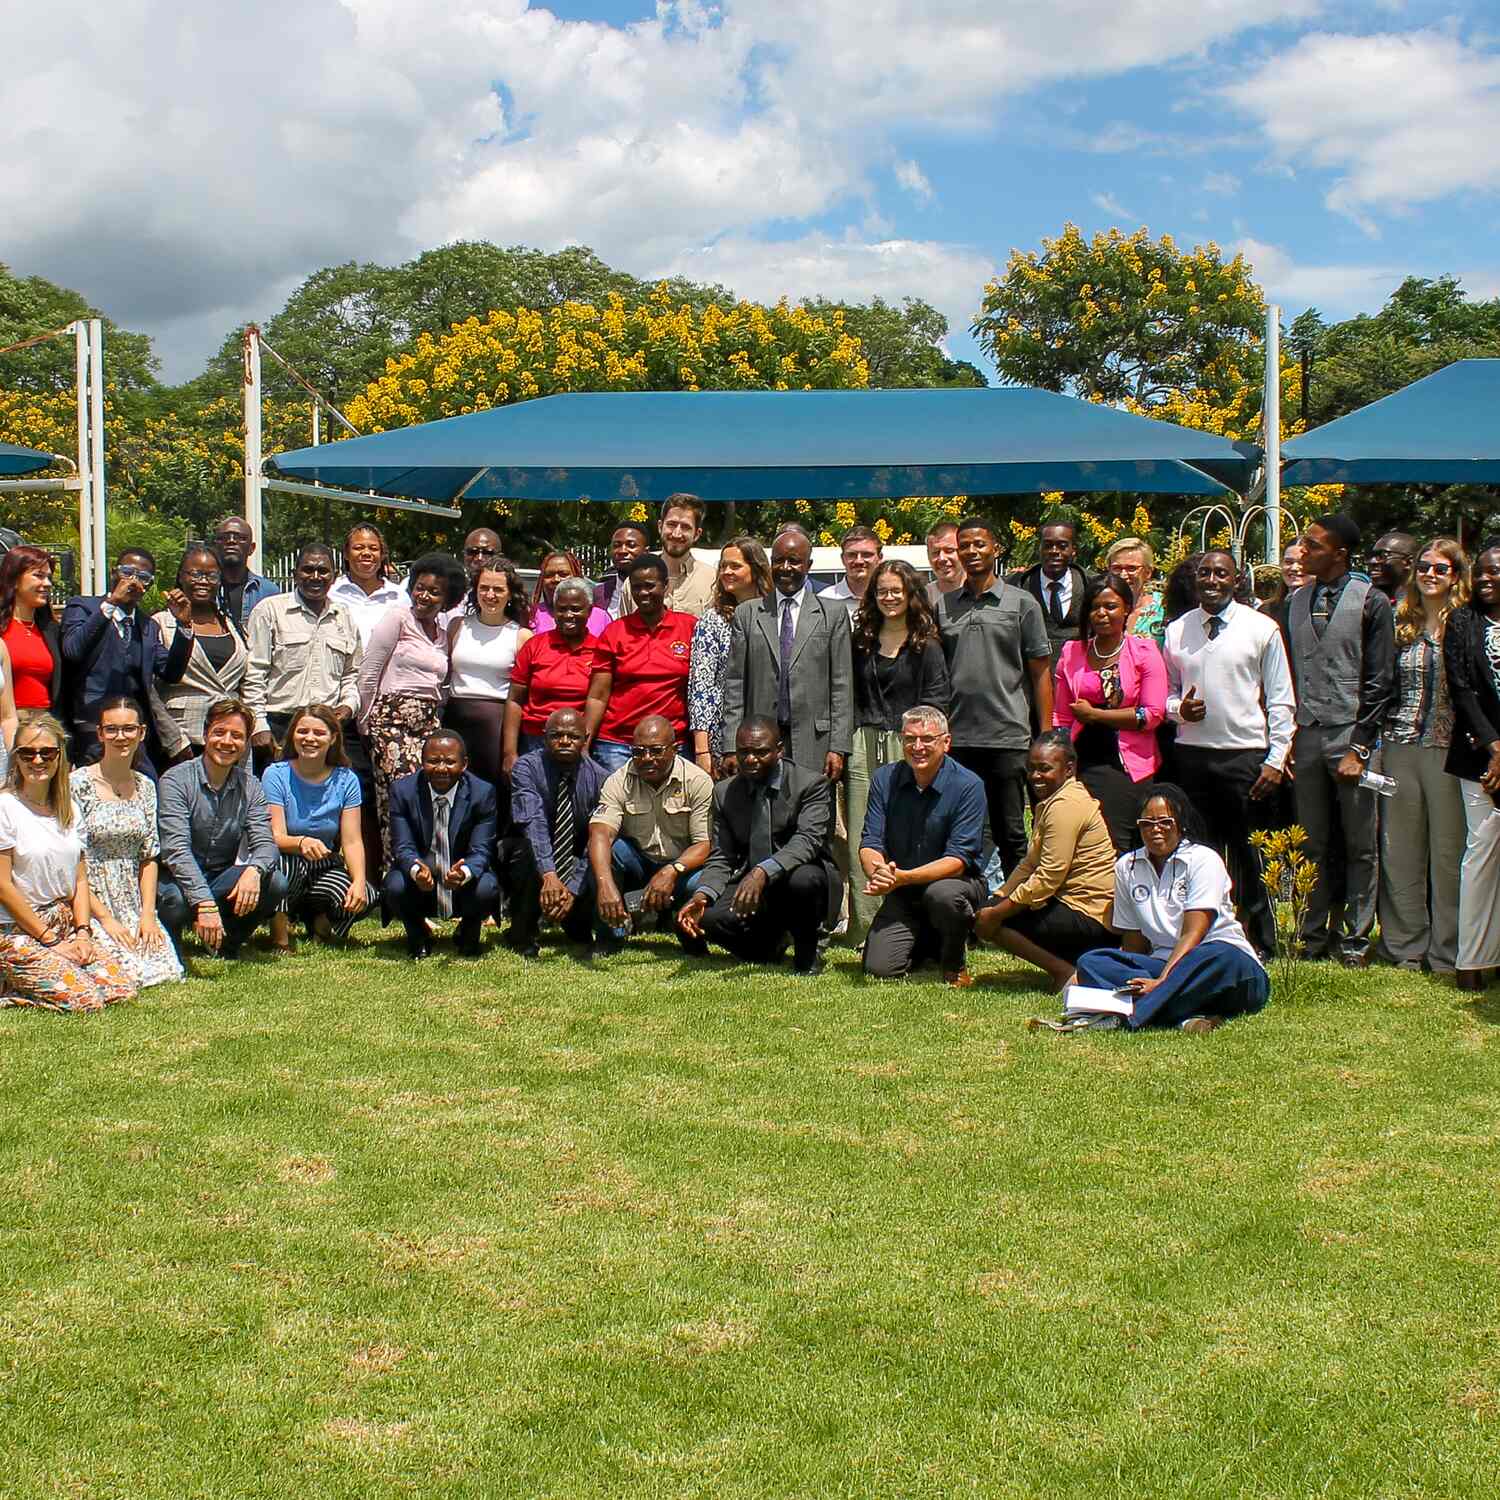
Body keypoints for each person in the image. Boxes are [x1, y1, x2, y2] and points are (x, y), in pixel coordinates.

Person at [1162, 549, 1294, 958]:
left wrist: (1276, 758)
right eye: (1205, 573)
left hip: (1245, 757)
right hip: (1192, 757)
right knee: (1200, 855)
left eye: (1221, 574)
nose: (1212, 581)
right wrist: (1176, 710)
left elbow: (1281, 700)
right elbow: (1166, 692)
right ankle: (1202, 938)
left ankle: (1265, 941)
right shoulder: (1177, 630)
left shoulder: (1262, 629)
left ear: (1237, 581)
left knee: (1251, 852)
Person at [1066, 786, 1269, 1033]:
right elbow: (1134, 939)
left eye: (1165, 822)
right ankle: (1186, 1016)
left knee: (1219, 954)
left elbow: (1193, 934)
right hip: (1164, 966)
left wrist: (1162, 982)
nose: (1155, 829)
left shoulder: (1203, 859)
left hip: (1219, 966)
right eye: (1147, 823)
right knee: (1092, 962)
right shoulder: (1126, 867)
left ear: (1181, 824)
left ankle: (1128, 1017)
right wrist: (1133, 971)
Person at [1285, 514, 1395, 967]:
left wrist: (1360, 747)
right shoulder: (1294, 601)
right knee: (1311, 840)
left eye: (1312, 545)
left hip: (1352, 734)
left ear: (1340, 554)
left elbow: (1380, 681)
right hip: (1307, 734)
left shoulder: (1371, 601)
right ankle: (1311, 935)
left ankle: (1355, 938)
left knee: (1359, 844)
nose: (1302, 551)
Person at [936, 516, 1053, 876]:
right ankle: (966, 913)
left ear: (995, 548)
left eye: (979, 544)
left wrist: (1046, 735)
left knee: (1011, 833)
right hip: (958, 738)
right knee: (961, 833)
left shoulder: (1022, 604)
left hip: (1007, 736)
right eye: (964, 545)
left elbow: (1041, 671)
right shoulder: (943, 606)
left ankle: (1014, 914)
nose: (971, 551)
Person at [677, 717, 839, 974]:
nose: (751, 759)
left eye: (761, 752)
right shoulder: (724, 793)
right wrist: (702, 895)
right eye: (744, 752)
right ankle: (767, 947)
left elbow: (807, 841)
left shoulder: (810, 785)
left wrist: (763, 871)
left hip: (796, 878)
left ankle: (808, 952)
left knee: (805, 880)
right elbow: (722, 856)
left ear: (779, 750)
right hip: (751, 883)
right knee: (707, 916)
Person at [0, 714, 137, 1011]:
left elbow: (80, 880)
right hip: (15, 928)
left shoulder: (70, 809)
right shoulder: (5, 807)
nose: (37, 761)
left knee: (121, 991)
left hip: (62, 920)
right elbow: (2, 885)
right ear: (16, 758)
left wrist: (83, 933)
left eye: (47, 753)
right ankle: (10, 991)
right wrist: (50, 941)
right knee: (86, 1001)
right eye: (28, 753)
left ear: (60, 756)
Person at [847, 559, 951, 943]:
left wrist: (921, 744)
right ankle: (865, 926)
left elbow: (937, 702)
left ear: (910, 595)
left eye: (896, 590)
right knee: (865, 830)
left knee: (908, 830)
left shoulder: (928, 646)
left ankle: (912, 922)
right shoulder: (861, 642)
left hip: (911, 744)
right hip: (862, 741)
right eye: (882, 591)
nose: (889, 598)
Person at [1377, 538, 1467, 976]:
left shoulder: (1466, 623)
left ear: (1456, 576)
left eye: (1441, 568)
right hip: (1399, 744)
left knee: (1449, 853)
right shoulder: (1400, 623)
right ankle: (1405, 946)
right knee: (1400, 850)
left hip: (1448, 750)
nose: (1431, 574)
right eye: (1425, 567)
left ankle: (1448, 950)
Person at [972, 736, 1116, 989]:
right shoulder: (1053, 801)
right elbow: (1030, 863)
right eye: (1031, 768)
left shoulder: (1066, 806)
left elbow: (1049, 877)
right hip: (1070, 904)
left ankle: (1064, 972)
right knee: (993, 909)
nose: (1035, 776)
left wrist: (996, 912)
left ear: (1069, 769)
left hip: (1091, 917)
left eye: (1045, 768)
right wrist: (1000, 895)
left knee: (1000, 919)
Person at [859, 706, 988, 986]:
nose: (918, 747)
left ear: (946, 742)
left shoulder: (968, 786)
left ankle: (954, 961)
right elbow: (870, 842)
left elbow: (958, 860)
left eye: (927, 739)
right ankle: (928, 940)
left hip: (956, 884)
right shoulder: (884, 779)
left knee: (942, 896)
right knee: (879, 968)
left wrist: (901, 877)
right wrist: (878, 873)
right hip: (904, 889)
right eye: (909, 739)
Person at [155, 698, 285, 960]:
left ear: (246, 742)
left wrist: (254, 870)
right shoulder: (175, 780)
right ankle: (170, 950)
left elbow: (266, 844)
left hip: (218, 877)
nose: (227, 742)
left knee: (275, 883)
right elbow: (175, 850)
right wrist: (204, 903)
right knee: (174, 901)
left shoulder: (251, 786)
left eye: (236, 736)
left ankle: (224, 945)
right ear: (205, 734)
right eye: (219, 732)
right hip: (175, 880)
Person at [68, 698, 183, 988]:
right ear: (100, 733)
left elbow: (149, 856)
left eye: (129, 729)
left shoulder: (146, 786)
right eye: (112, 729)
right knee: (125, 973)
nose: (121, 737)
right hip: (88, 898)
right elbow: (72, 861)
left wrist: (147, 914)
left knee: (164, 970)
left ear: (142, 733)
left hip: (131, 898)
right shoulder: (77, 784)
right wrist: (105, 920)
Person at [722, 528, 853, 779]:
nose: (786, 567)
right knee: (762, 815)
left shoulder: (832, 614)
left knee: (812, 815)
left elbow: (842, 684)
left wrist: (838, 746)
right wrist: (731, 745)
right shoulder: (748, 614)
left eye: (794, 561)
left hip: (815, 741)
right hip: (759, 743)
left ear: (808, 565)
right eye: (779, 561)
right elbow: (735, 684)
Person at [1053, 573, 1167, 854]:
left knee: (1118, 844)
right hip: (1081, 762)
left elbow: (1152, 715)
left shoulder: (1144, 651)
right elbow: (1062, 717)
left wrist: (1096, 716)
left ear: (1127, 608)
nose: (1101, 614)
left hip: (1127, 765)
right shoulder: (1072, 652)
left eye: (1110, 606)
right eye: (1094, 607)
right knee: (1081, 847)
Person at [358, 554, 460, 863]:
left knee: (430, 797)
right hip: (391, 723)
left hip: (427, 724)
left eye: (434, 591)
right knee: (397, 797)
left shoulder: (443, 635)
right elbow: (369, 671)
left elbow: (441, 685)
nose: (424, 596)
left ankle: (428, 870)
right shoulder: (397, 618)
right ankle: (398, 873)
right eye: (419, 588)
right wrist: (365, 723)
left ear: (448, 597)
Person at [587, 715, 713, 956]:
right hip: (640, 861)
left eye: (656, 751)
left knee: (703, 880)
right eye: (638, 751)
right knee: (608, 855)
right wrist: (605, 885)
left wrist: (672, 871)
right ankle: (610, 937)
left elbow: (705, 844)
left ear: (675, 750)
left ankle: (688, 933)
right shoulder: (618, 780)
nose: (646, 759)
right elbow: (600, 832)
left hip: (682, 868)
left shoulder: (698, 781)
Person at [60, 547, 193, 765]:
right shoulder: (83, 607)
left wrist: (184, 626)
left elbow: (171, 673)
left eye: (142, 577)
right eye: (127, 572)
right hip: (91, 729)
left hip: (134, 733)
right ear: (114, 572)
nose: (133, 581)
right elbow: (73, 651)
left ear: (148, 586)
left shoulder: (148, 626)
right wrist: (111, 603)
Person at [262, 704, 374, 952]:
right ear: (292, 735)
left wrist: (358, 881)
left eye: (318, 733)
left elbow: (352, 841)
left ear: (333, 738)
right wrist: (301, 842)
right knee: (282, 868)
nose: (309, 739)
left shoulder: (347, 780)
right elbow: (275, 836)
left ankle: (319, 922)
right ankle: (280, 937)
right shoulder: (275, 775)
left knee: (366, 894)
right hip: (286, 859)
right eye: (302, 732)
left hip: (323, 863)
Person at [382, 731, 500, 958]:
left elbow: (482, 850)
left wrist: (463, 874)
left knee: (487, 886)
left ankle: (468, 929)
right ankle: (418, 933)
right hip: (422, 882)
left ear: (464, 764)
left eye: (449, 761)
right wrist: (417, 871)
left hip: (461, 883)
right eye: (433, 761)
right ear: (422, 761)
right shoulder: (403, 791)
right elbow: (402, 846)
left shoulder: (483, 793)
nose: (441, 768)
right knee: (394, 885)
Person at [243, 542, 361, 764]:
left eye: (323, 571)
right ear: (294, 574)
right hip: (279, 726)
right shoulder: (270, 611)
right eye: (308, 569)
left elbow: (351, 673)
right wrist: (258, 724)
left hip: (325, 727)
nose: (315, 576)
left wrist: (348, 704)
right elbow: (254, 671)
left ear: (334, 576)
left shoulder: (343, 616)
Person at [503, 708, 608, 957]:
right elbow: (532, 822)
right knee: (522, 851)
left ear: (586, 738)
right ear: (543, 736)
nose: (564, 741)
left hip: (574, 857)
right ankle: (522, 932)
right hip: (532, 852)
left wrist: (571, 888)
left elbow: (596, 837)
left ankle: (576, 921)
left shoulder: (601, 779)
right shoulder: (526, 768)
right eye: (556, 735)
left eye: (572, 736)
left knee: (599, 856)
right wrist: (549, 873)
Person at [1442, 547, 1500, 990]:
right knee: (1481, 853)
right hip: (1479, 757)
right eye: (1479, 572)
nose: (1485, 578)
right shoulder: (1462, 622)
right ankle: (1472, 960)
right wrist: (1495, 746)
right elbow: (1461, 689)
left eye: (1494, 572)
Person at [586, 556, 696, 774]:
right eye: (637, 587)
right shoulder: (614, 632)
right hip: (618, 744)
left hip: (673, 744)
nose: (643, 593)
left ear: (665, 586)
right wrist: (585, 742)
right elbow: (597, 695)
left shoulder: (689, 627)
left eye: (650, 586)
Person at [146, 546, 249, 765]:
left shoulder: (232, 624)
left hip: (230, 739)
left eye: (211, 575)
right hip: (183, 740)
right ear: (180, 577)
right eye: (195, 574)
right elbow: (150, 690)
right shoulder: (160, 623)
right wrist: (174, 740)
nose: (203, 581)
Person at [444, 556, 533, 790]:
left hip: (496, 725)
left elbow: (524, 692)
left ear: (510, 593)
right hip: (456, 717)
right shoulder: (457, 626)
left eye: (498, 589)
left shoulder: (521, 636)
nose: (490, 595)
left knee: (491, 789)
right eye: (484, 588)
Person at [687, 536, 772, 777]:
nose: (726, 572)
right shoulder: (712, 621)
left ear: (756, 570)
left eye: (735, 566)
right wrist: (702, 751)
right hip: (724, 739)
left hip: (768, 734)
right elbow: (700, 688)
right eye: (723, 566)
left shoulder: (776, 616)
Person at [504, 579, 599, 773]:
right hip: (535, 740)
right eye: (561, 609)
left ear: (589, 611)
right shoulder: (534, 646)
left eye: (576, 609)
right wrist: (510, 752)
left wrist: (586, 745)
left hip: (578, 743)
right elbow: (515, 700)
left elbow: (599, 700)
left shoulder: (601, 650)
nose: (568, 615)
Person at [1010, 518, 1088, 664]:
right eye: (1048, 545)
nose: (1054, 551)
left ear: (1074, 550)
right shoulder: (1017, 585)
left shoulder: (1090, 584)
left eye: (1062, 546)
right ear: (1039, 548)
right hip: (1031, 675)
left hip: (1078, 675)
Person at [0, 544, 62, 717]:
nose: (47, 584)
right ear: (14, 580)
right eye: (38, 576)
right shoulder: (2, 630)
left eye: (49, 578)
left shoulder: (51, 631)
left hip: (45, 727)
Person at [630, 494, 716, 619]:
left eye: (685, 527)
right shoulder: (635, 580)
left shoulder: (712, 581)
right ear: (660, 527)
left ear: (697, 534)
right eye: (671, 524)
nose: (676, 533)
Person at [329, 522, 405, 649]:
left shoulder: (399, 597)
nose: (366, 553)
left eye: (374, 548)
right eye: (358, 547)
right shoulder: (331, 594)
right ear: (346, 554)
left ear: (382, 555)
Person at [212, 516, 280, 629]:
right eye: (224, 537)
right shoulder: (204, 589)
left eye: (241, 538)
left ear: (252, 548)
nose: (231, 541)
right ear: (216, 545)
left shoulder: (268, 592)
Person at [529, 550, 610, 635]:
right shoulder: (531, 615)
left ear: (576, 575)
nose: (556, 579)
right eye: (549, 575)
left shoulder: (601, 617)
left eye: (563, 574)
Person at [439, 527, 505, 630]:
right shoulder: (445, 587)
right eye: (472, 552)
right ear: (464, 554)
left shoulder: (508, 594)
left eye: (487, 553)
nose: (479, 557)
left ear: (500, 557)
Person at [1104, 537, 1165, 644]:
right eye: (1116, 568)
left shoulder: (1164, 607)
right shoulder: (1099, 609)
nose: (1123, 575)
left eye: (1131, 568)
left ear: (1148, 572)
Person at [592, 522, 652, 619]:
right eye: (616, 545)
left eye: (631, 545)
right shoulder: (599, 594)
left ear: (646, 552)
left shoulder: (657, 590)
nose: (622, 551)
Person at [823, 525, 883, 620]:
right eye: (852, 555)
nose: (859, 561)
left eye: (866, 554)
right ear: (843, 559)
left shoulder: (890, 599)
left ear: (880, 558)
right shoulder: (825, 600)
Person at [1369, 532, 1418, 604]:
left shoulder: (1426, 605)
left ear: (1408, 562)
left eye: (1383, 555)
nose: (1372, 561)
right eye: (1372, 556)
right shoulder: (1363, 602)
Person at [924, 521, 964, 607]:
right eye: (935, 552)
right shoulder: (922, 600)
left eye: (949, 551)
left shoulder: (982, 594)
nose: (942, 558)